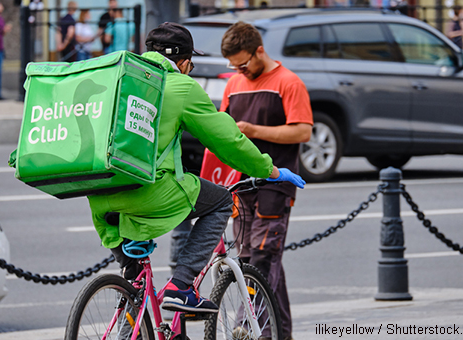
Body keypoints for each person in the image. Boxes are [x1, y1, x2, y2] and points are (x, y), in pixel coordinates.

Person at [87, 22, 305, 313]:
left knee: (135, 286)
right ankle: (181, 286)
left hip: (101, 195)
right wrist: (270, 170)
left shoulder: (119, 81)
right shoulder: (180, 86)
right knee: (220, 202)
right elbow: (228, 141)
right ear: (185, 62)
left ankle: (130, 324)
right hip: (148, 192)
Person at [220, 21, 313, 340]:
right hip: (241, 184)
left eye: (244, 63)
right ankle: (279, 332)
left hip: (277, 181)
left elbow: (303, 130)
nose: (240, 71)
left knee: (263, 255)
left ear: (260, 50)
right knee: (252, 257)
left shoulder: (288, 82)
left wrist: (254, 131)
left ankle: (251, 327)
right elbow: (224, 130)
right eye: (234, 66)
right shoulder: (233, 84)